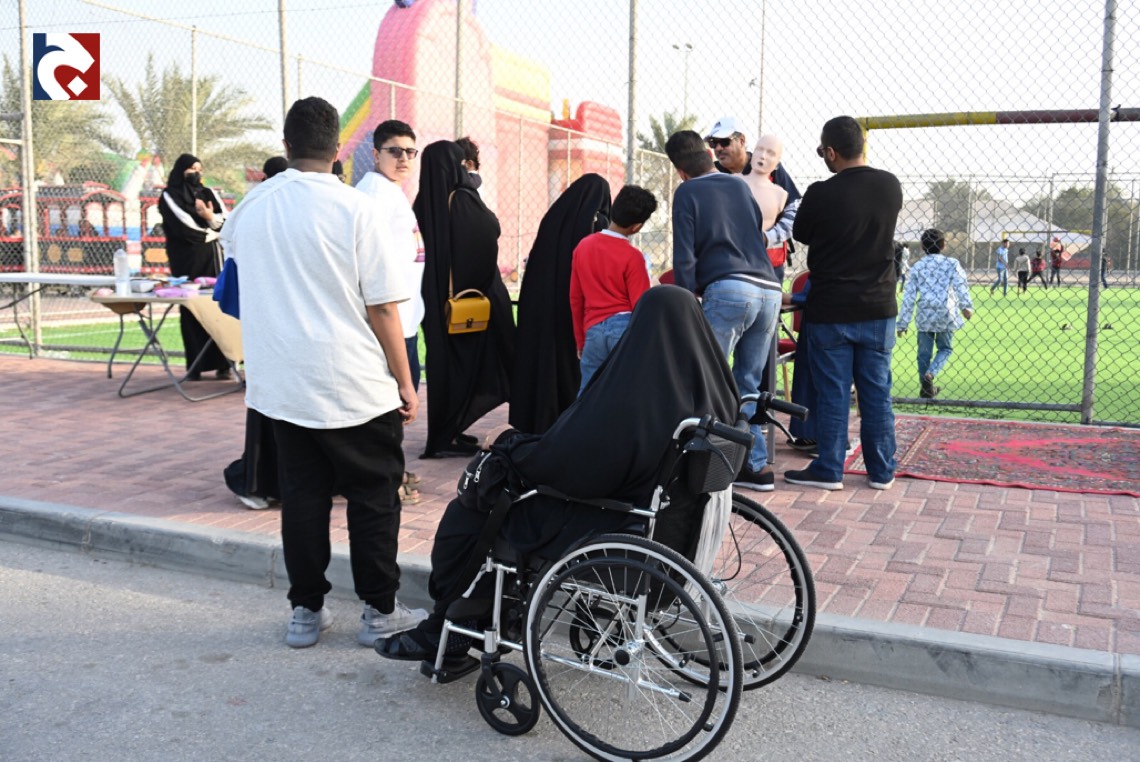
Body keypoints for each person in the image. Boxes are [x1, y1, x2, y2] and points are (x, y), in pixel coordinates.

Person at [374, 285, 739, 663]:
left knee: (480, 505)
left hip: (609, 517)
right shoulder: (715, 396)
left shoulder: (637, 395)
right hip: (663, 523)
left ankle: (446, 626)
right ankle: (477, 615)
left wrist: (512, 443)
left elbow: (570, 461)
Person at [219, 96, 425, 649]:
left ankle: (305, 612)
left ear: (286, 146)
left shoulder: (251, 207)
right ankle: (380, 611)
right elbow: (384, 308)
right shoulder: (356, 209)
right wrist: (405, 382)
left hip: (283, 386)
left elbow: (238, 273)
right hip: (355, 383)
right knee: (373, 498)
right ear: (339, 150)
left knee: (303, 499)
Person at [787, 115, 902, 492]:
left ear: (831, 152)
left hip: (830, 309)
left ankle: (830, 467)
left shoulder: (820, 193)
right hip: (877, 306)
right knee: (876, 393)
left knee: (833, 393)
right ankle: (881, 470)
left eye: (822, 151)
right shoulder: (889, 185)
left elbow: (801, 232)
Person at [666, 129, 782, 492]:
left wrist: (688, 297)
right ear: (708, 154)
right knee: (747, 384)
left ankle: (703, 465)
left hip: (729, 288)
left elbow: (685, 254)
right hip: (769, 290)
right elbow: (756, 234)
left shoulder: (687, 191)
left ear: (680, 170)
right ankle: (755, 466)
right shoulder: (738, 185)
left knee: (708, 378)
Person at [415, 141, 515, 458]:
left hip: (437, 303)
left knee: (445, 368)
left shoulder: (424, 201)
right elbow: (488, 233)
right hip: (468, 301)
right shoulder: (461, 198)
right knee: (478, 363)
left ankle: (447, 432)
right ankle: (450, 432)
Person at [355, 119, 426, 503]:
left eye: (410, 152)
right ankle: (383, 480)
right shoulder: (372, 196)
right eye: (394, 151)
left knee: (396, 408)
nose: (403, 158)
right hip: (388, 322)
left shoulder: (390, 192)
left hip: (405, 318)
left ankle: (391, 471)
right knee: (389, 406)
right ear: (375, 154)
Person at [511, 173, 612, 434]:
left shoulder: (554, 219)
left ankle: (536, 421)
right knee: (571, 367)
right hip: (575, 311)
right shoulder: (597, 225)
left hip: (540, 306)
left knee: (542, 361)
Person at [223, 154, 292, 511]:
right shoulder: (277, 199)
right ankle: (260, 482)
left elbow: (228, 241)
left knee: (272, 410)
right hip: (283, 325)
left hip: (268, 325)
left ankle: (261, 482)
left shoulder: (256, 201)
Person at [569, 184, 656, 395]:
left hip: (593, 329)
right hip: (624, 328)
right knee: (628, 390)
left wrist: (580, 340)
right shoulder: (633, 257)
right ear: (637, 227)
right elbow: (640, 305)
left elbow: (576, 298)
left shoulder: (583, 246)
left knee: (588, 391)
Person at [158, 153, 230, 380]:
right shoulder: (170, 196)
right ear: (181, 171)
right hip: (187, 260)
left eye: (199, 169)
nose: (196, 173)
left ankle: (225, 364)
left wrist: (209, 217)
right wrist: (212, 232)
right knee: (191, 309)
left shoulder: (209, 193)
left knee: (217, 307)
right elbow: (184, 225)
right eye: (191, 169)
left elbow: (226, 220)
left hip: (213, 259)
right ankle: (195, 366)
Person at [705, 116, 800, 282]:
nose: (718, 148)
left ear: (741, 140)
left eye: (725, 142)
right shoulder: (713, 173)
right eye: (714, 143)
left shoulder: (772, 168)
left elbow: (795, 208)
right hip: (727, 262)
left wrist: (770, 237)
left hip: (768, 262)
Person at [897, 229, 974, 400]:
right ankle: (930, 374)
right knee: (945, 348)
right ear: (943, 245)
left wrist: (903, 323)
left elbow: (909, 296)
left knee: (923, 354)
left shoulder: (918, 267)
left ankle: (925, 388)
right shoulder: (951, 263)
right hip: (946, 312)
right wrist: (966, 307)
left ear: (922, 246)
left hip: (925, 314)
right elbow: (960, 285)